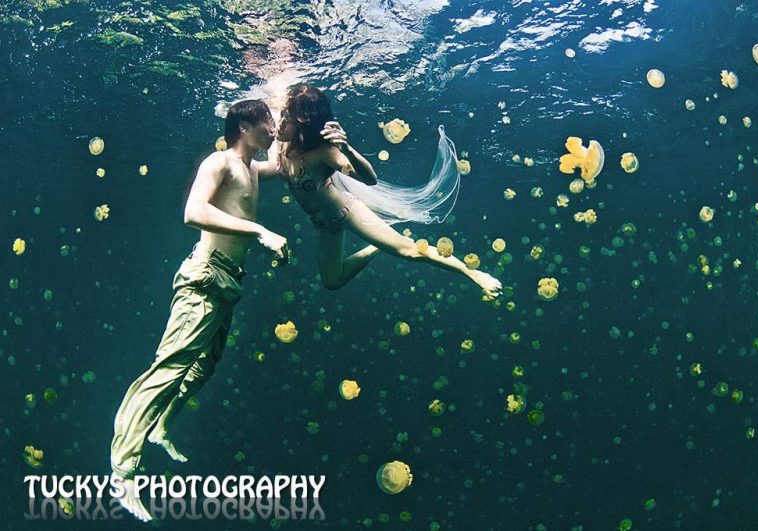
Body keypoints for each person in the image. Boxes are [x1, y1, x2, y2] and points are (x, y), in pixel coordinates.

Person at [109, 100, 289, 522]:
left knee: (202, 367)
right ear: (244, 125)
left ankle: (160, 427)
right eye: (267, 121)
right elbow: (194, 212)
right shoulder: (220, 162)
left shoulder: (250, 170)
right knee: (168, 370)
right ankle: (122, 471)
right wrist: (260, 230)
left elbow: (282, 165)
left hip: (227, 283)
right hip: (204, 279)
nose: (273, 128)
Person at [258, 84, 502, 298]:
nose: (280, 123)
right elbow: (271, 167)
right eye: (283, 116)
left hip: (346, 211)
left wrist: (347, 148)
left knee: (407, 251)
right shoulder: (282, 140)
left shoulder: (323, 153)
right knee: (332, 281)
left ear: (305, 125)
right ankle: (377, 245)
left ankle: (472, 273)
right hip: (322, 223)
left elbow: (370, 179)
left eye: (287, 120)